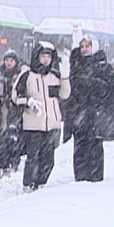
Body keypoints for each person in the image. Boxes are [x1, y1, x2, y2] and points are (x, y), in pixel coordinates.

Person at [12, 41, 69, 191]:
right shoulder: (27, 76)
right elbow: (15, 96)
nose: (45, 59)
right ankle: (28, 184)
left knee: (48, 158)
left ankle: (41, 183)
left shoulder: (54, 76)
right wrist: (28, 101)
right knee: (33, 157)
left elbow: (64, 94)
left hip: (52, 123)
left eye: (49, 56)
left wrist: (65, 77)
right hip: (33, 123)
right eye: (43, 55)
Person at [64, 35, 113, 182]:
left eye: (88, 46)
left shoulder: (102, 65)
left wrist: (91, 83)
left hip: (96, 115)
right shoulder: (75, 64)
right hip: (79, 114)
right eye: (82, 46)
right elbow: (70, 90)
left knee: (95, 146)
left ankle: (96, 177)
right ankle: (81, 176)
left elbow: (108, 88)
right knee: (80, 146)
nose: (85, 49)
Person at [0, 50, 27, 180]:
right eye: (7, 60)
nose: (9, 63)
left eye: (11, 60)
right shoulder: (0, 75)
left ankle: (8, 162)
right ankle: (5, 163)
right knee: (4, 135)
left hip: (16, 108)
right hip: (3, 109)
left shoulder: (20, 75)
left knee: (12, 136)